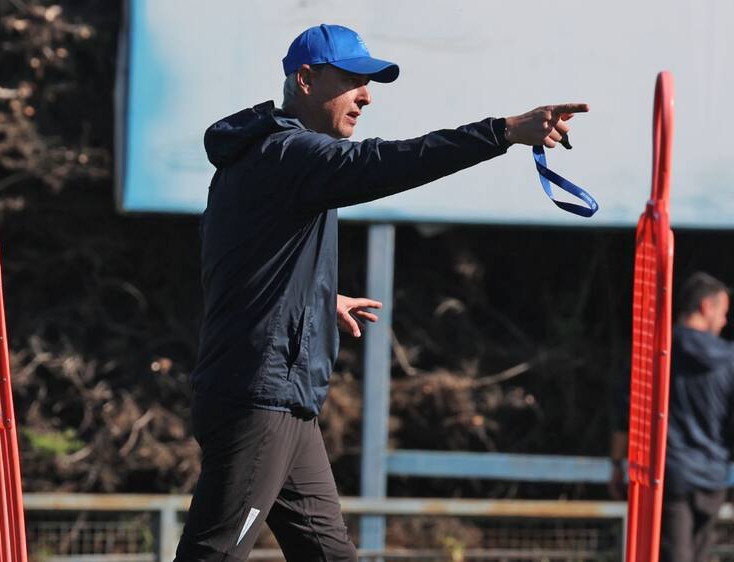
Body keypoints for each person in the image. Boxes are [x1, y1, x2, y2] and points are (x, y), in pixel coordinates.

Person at [175, 23, 589, 562]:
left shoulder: (261, 159)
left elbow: (235, 262)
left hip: (282, 397)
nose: (367, 95)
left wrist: (319, 298)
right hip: (259, 395)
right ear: (305, 79)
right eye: (353, 80)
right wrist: (503, 131)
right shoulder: (288, 155)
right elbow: (385, 163)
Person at [609, 272, 734, 562]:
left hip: (669, 477)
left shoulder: (653, 351)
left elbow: (626, 411)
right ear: (706, 307)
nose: (725, 321)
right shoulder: (729, 361)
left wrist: (617, 464)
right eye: (724, 312)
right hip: (713, 478)